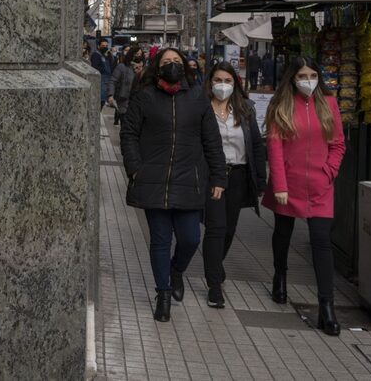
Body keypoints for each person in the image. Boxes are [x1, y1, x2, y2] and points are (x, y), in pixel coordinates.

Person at [120, 47, 227, 323]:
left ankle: (176, 270)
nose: (172, 65)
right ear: (157, 66)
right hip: (152, 179)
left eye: (176, 61)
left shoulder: (197, 98)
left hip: (188, 180)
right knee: (160, 240)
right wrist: (134, 168)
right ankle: (163, 293)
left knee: (191, 237)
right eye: (166, 62)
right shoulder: (144, 96)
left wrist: (218, 176)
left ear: (186, 66)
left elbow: (212, 141)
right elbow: (129, 133)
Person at [261, 56, 346, 336]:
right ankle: (280, 275)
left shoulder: (328, 104)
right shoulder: (281, 105)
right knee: (282, 232)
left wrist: (329, 172)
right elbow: (274, 148)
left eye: (312, 75)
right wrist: (280, 185)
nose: (308, 81)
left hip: (321, 185)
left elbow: (338, 144)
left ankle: (327, 306)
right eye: (302, 76)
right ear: (292, 78)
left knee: (322, 242)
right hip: (289, 183)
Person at [200, 62, 267, 308]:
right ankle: (214, 283)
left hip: (238, 175)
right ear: (210, 82)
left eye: (228, 81)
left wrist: (260, 179)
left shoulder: (245, 109)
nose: (223, 85)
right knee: (216, 228)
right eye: (218, 80)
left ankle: (216, 266)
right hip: (212, 176)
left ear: (235, 84)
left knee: (229, 229)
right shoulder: (202, 108)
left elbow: (256, 147)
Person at [108, 47, 140, 126]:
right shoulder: (122, 67)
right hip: (124, 101)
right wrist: (110, 95)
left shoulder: (143, 70)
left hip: (138, 102)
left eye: (140, 54)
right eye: (137, 54)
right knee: (125, 124)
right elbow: (113, 81)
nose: (138, 56)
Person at [90, 38, 113, 111]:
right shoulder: (96, 55)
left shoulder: (106, 55)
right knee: (99, 102)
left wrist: (110, 56)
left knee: (102, 101)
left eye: (106, 45)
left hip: (106, 81)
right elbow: (95, 67)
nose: (105, 47)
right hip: (100, 82)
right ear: (98, 46)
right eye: (103, 45)